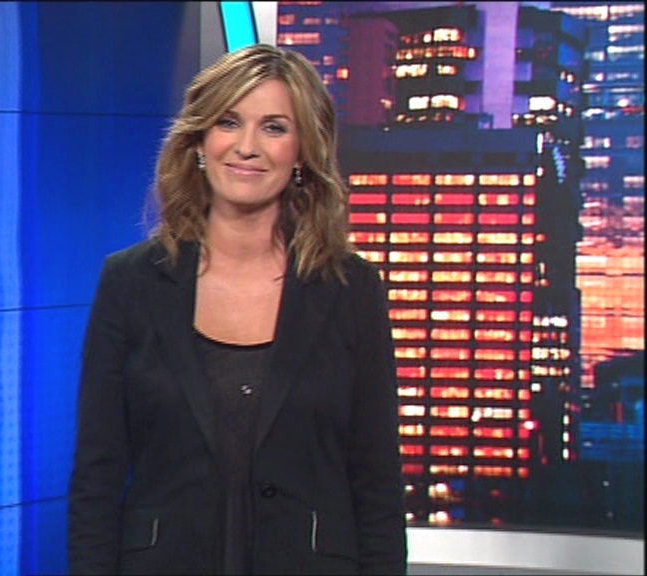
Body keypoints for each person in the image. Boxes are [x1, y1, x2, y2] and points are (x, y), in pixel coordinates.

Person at [68, 43, 406, 575]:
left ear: (302, 151)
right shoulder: (130, 282)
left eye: (274, 128)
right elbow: (97, 476)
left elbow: (377, 480)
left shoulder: (350, 288)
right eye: (228, 122)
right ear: (200, 142)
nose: (247, 147)